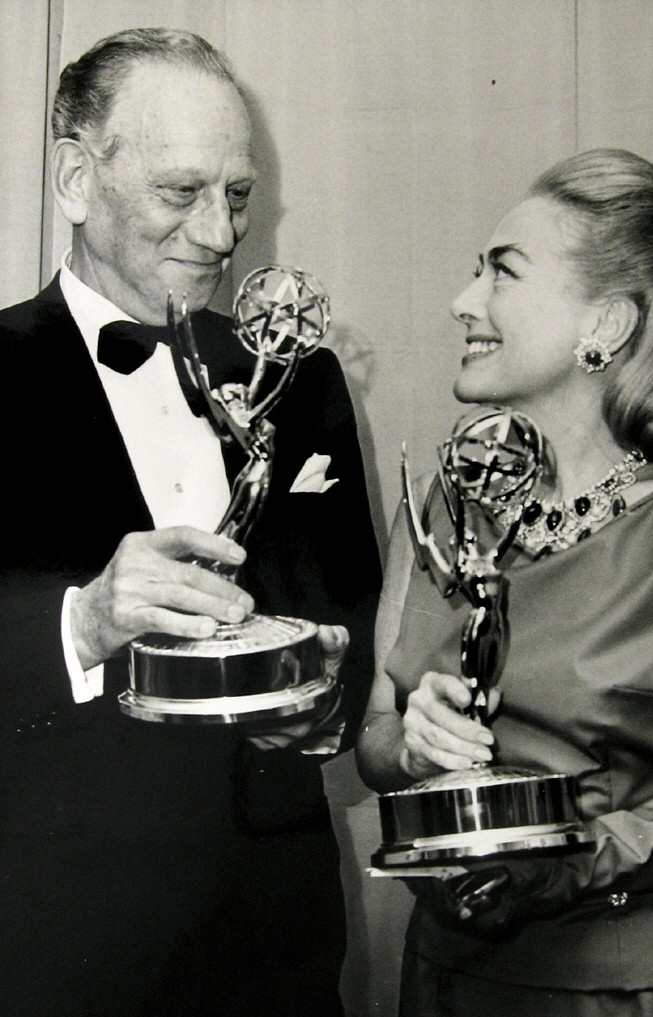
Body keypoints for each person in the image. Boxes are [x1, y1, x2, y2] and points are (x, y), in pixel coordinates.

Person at [356, 143, 653, 1016]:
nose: (463, 302)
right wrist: (408, 742)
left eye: (502, 275)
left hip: (638, 989)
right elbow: (376, 731)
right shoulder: (440, 505)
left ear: (606, 325)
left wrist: (578, 862)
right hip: (449, 980)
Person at [0, 27, 381, 1017]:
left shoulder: (303, 382)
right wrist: (80, 621)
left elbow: (351, 617)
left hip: (276, 944)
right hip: (56, 951)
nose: (220, 233)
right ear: (78, 180)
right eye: (181, 193)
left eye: (239, 195)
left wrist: (322, 701)